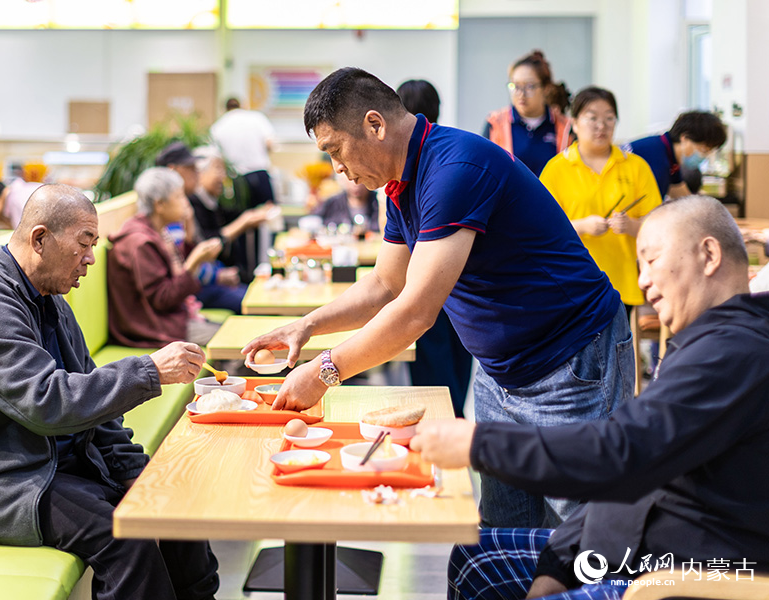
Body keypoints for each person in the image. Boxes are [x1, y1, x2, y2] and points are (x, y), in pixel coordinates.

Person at [243, 67, 632, 529]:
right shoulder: (401, 181)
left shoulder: (453, 169)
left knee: (588, 532)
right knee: (504, 530)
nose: (337, 169)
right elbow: (384, 284)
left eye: (335, 151)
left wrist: (325, 371)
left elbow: (414, 313)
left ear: (375, 125)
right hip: (501, 374)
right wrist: (306, 325)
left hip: (570, 363)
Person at [410, 195, 768, 600]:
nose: (643, 281)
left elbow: (622, 453)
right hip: (635, 555)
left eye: (651, 261)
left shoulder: (734, 352)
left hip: (685, 577)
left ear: (708, 253)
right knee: (477, 560)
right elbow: (631, 475)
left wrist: (478, 443)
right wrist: (558, 565)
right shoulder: (705, 345)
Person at [0, 184, 219, 600]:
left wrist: (139, 472)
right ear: (40, 239)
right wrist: (149, 370)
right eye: (84, 243)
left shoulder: (50, 298)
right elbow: (47, 402)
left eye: (94, 244)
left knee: (171, 508)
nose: (91, 258)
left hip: (51, 465)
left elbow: (92, 398)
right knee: (125, 540)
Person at [540, 86, 662, 314]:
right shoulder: (556, 169)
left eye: (609, 118)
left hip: (620, 283)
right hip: (569, 282)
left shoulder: (636, 167)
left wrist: (632, 226)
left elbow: (658, 226)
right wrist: (582, 226)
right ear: (574, 123)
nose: (601, 126)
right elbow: (542, 230)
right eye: (592, 118)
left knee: (616, 349)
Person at [396, 77, 473, 417]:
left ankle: (443, 423)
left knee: (431, 358)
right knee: (458, 357)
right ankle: (453, 416)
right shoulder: (449, 153)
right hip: (464, 284)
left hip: (427, 281)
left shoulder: (417, 170)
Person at [107, 167, 226, 347]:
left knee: (234, 333)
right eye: (179, 196)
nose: (186, 203)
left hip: (172, 318)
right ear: (159, 205)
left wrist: (190, 236)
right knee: (234, 341)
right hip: (152, 327)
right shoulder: (141, 242)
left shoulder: (158, 232)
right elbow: (163, 299)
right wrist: (195, 261)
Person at [156, 141, 271, 283]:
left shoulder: (189, 206)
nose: (196, 173)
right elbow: (190, 257)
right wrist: (218, 276)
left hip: (201, 279)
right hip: (199, 286)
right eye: (191, 168)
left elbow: (190, 252)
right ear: (173, 170)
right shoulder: (176, 209)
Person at [482, 50, 572, 177]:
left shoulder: (566, 127)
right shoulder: (495, 123)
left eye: (529, 86)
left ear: (546, 88)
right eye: (515, 86)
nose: (521, 94)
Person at [623, 111, 727, 199]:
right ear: (685, 138)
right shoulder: (657, 157)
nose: (704, 156)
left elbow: (680, 193)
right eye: (704, 150)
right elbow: (650, 209)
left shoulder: (669, 155)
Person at [210, 97, 276, 207]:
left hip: (238, 179)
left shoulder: (218, 127)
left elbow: (216, 159)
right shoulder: (257, 118)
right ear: (242, 105)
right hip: (260, 174)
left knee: (244, 216)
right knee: (268, 213)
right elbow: (270, 144)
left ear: (225, 109)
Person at [311, 177, 380, 233]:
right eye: (351, 179)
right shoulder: (333, 203)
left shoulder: (379, 202)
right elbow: (313, 219)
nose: (356, 184)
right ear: (343, 180)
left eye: (360, 178)